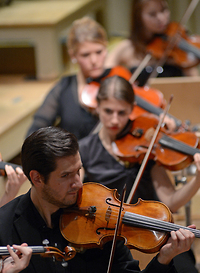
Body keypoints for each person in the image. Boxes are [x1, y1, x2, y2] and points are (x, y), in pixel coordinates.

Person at [0, 126, 196, 273]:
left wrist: (164, 258)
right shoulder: (4, 225)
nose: (78, 183)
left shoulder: (100, 215)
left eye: (78, 171)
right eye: (66, 176)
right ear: (37, 178)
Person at [79, 75, 200, 273]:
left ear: (132, 109)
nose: (115, 120)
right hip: (109, 241)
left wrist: (198, 180)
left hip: (154, 234)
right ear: (97, 106)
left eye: (122, 112)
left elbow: (170, 202)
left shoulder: (148, 142)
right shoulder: (84, 150)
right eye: (108, 111)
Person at [26, 16, 176, 139]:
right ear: (73, 56)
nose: (94, 60)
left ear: (106, 49)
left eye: (99, 52)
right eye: (85, 55)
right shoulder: (63, 88)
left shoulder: (120, 76)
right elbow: (36, 130)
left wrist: (159, 119)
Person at [105, 0, 199, 86]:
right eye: (152, 14)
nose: (161, 18)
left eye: (163, 10)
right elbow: (105, 76)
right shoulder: (127, 48)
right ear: (138, 17)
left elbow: (194, 84)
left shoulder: (176, 45)